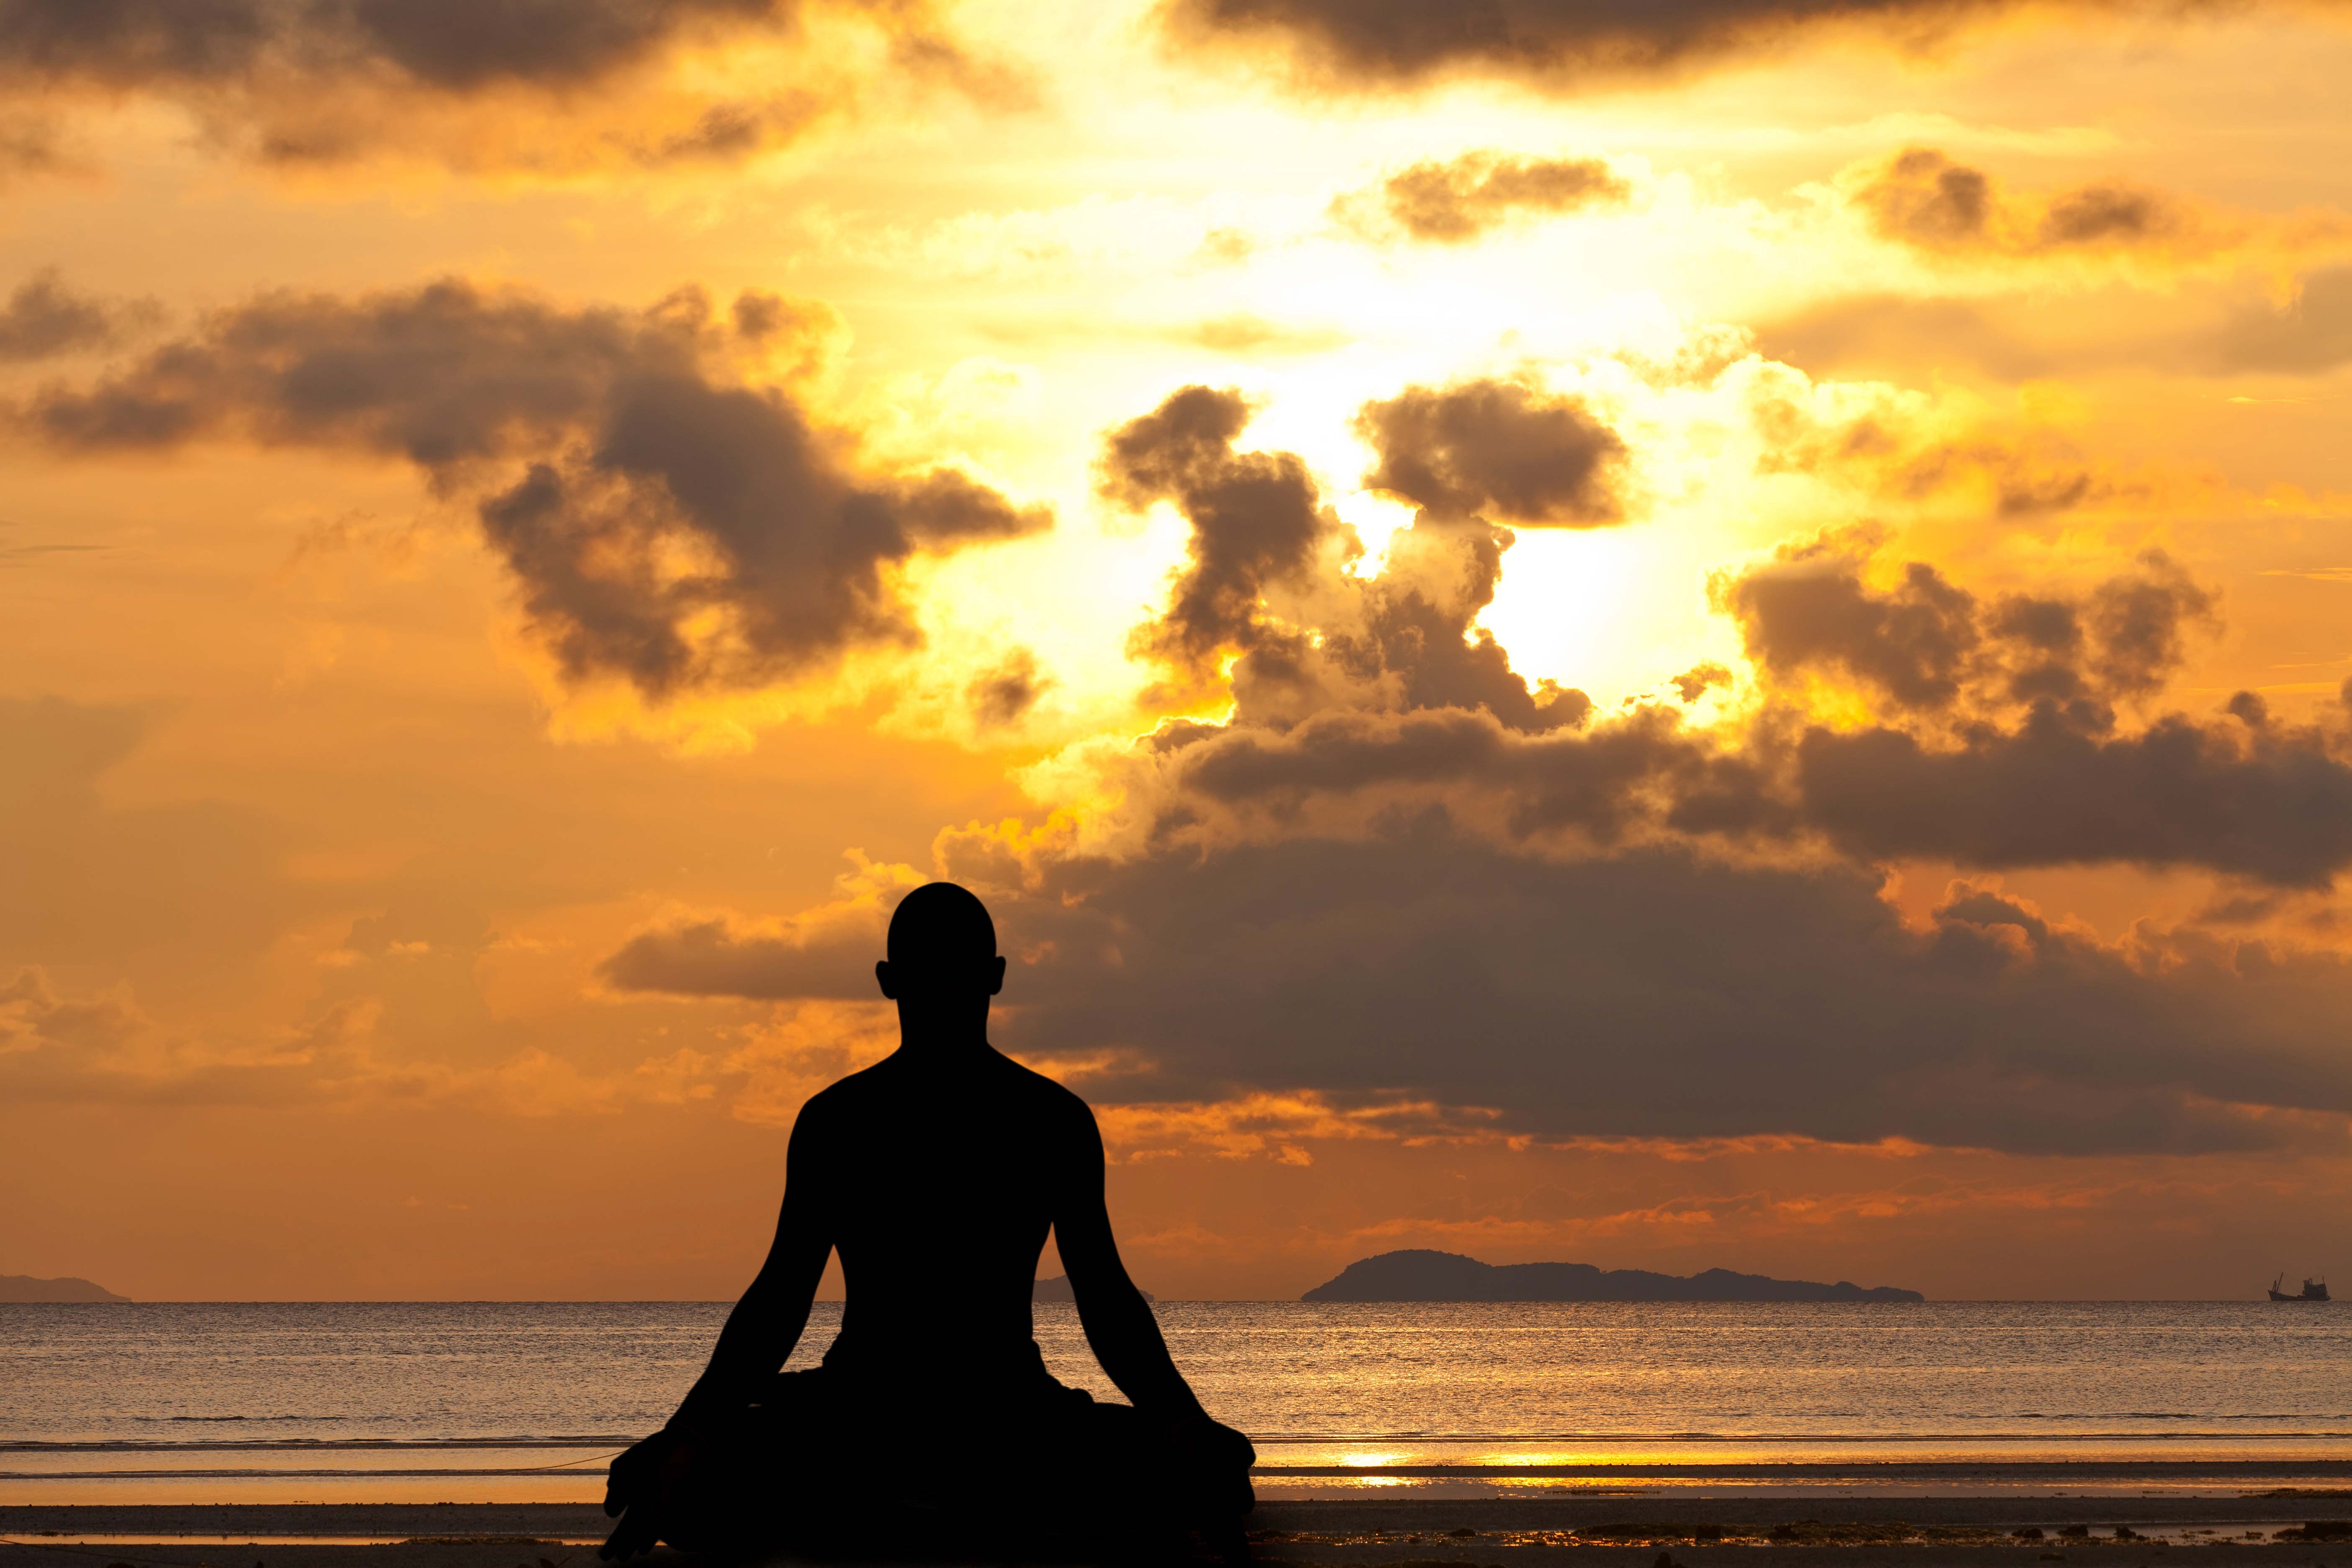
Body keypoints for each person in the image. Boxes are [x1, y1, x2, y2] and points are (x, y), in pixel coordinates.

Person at [598, 881, 1255, 1561]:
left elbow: (1104, 1296)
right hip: (863, 1413)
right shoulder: (849, 1122)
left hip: (1003, 1415)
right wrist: (691, 1434)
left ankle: (898, 1513)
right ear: (893, 982)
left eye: (957, 972)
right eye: (929, 972)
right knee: (660, 1472)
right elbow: (780, 1298)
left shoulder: (1039, 1122)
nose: (943, 990)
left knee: (1215, 1461)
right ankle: (960, 1514)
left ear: (989, 979)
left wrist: (1184, 1424)